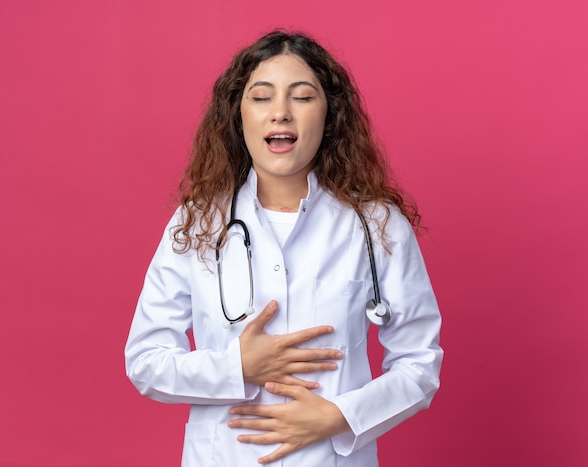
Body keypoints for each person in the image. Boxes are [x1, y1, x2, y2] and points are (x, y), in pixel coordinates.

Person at [125, 30, 443, 466]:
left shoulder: (377, 226)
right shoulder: (198, 222)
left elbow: (419, 364)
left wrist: (339, 417)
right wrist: (238, 368)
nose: (280, 113)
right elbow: (145, 360)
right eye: (261, 97)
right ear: (238, 116)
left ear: (329, 115)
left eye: (302, 97)